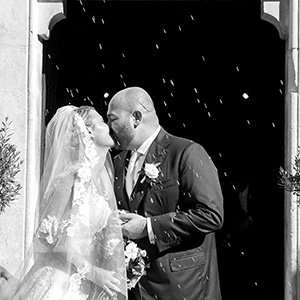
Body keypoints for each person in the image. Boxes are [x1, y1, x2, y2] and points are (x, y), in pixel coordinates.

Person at [107, 87, 224, 300]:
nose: (108, 127)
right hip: (134, 290)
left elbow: (211, 215)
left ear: (136, 117)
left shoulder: (186, 152)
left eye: (112, 119)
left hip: (183, 288)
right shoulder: (116, 163)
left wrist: (148, 227)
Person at [0, 105, 127, 300]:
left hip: (84, 282)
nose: (108, 125)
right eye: (102, 121)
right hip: (60, 284)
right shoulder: (70, 178)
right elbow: (47, 239)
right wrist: (92, 272)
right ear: (88, 132)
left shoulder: (98, 179)